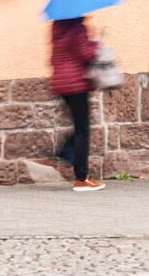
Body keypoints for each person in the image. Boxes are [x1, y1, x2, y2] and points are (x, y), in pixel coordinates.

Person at [51, 17, 105, 192]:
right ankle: (81, 178)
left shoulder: (57, 27)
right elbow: (86, 54)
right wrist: (96, 43)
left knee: (79, 126)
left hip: (61, 83)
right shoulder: (77, 28)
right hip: (76, 84)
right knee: (83, 130)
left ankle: (67, 151)